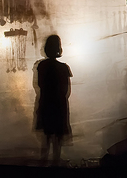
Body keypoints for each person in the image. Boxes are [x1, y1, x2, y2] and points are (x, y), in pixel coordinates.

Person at [35, 35, 72, 165]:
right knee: (58, 137)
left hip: (46, 102)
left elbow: (39, 85)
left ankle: (43, 163)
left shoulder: (42, 66)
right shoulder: (63, 68)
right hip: (59, 104)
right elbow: (67, 90)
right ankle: (56, 162)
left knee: (47, 136)